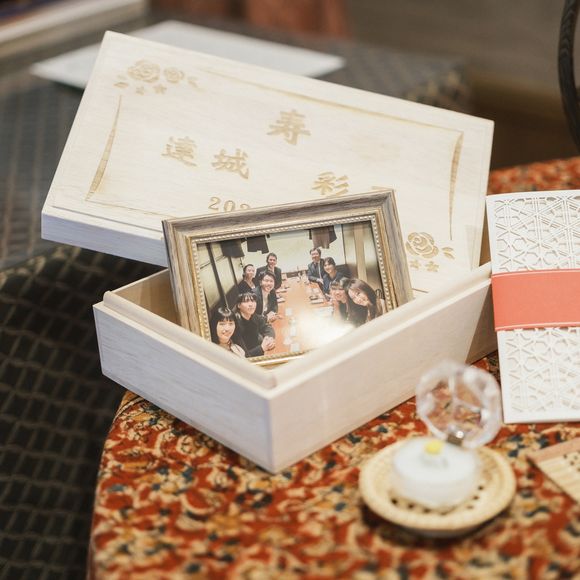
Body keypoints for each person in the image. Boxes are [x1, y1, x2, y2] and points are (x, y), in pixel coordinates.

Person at [234, 292, 276, 357]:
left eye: (253, 301)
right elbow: (244, 355)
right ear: (239, 305)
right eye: (246, 301)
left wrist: (269, 338)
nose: (251, 304)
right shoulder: (236, 325)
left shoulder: (252, 316)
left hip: (259, 352)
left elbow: (267, 326)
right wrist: (262, 348)